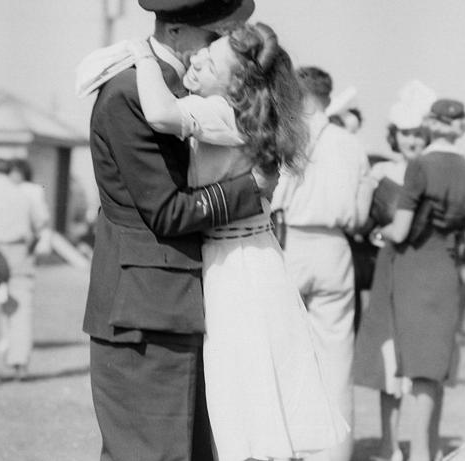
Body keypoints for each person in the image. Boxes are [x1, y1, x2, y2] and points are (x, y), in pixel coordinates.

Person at [127, 22, 348, 460]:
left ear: (238, 84)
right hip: (250, 252)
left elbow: (159, 114)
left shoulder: (224, 112)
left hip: (237, 261)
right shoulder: (237, 110)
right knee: (253, 383)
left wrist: (142, 55)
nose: (198, 59)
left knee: (243, 386)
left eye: (211, 62)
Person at [77, 1, 281, 459]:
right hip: (144, 309)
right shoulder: (131, 92)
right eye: (213, 38)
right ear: (173, 32)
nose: (219, 51)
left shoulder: (176, 91)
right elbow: (166, 211)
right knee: (152, 452)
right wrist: (253, 188)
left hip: (171, 302)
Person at [270, 65, 373, 461]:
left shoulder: (287, 136)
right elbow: (362, 214)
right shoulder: (351, 144)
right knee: (337, 357)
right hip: (336, 247)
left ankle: (284, 446)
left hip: (290, 240)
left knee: (284, 350)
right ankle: (334, 453)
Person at [378, 98, 465, 461]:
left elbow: (402, 228)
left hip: (414, 267)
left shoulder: (420, 167)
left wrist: (383, 231)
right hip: (446, 268)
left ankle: (421, 452)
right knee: (434, 364)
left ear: (430, 124)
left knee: (417, 366)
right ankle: (429, 445)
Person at [352, 80, 436, 461]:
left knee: (416, 360)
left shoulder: (434, 171)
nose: (412, 141)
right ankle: (389, 442)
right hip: (388, 266)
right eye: (405, 133)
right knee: (388, 360)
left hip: (421, 270)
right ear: (395, 135)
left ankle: (420, 444)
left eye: (419, 133)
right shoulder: (381, 169)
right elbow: (360, 213)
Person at [0, 158, 47, 380]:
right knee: (22, 309)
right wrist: (29, 249)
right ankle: (20, 362)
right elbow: (40, 225)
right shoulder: (25, 195)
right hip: (20, 251)